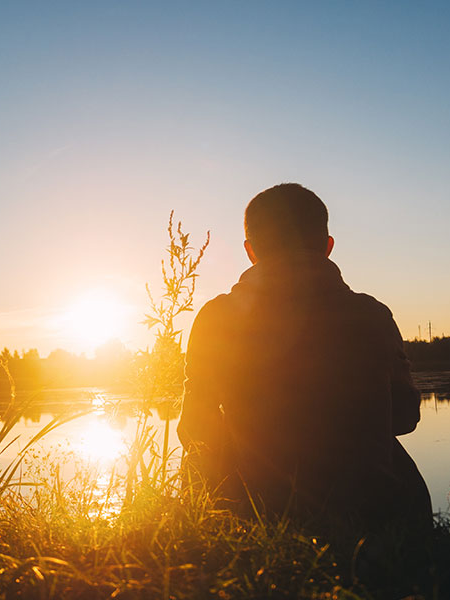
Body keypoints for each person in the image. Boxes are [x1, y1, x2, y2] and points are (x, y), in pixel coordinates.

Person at [177, 183, 431, 532]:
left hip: (257, 513)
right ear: (327, 247)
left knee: (198, 462)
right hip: (372, 515)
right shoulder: (371, 315)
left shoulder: (216, 318)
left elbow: (195, 430)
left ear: (251, 252)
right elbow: (404, 418)